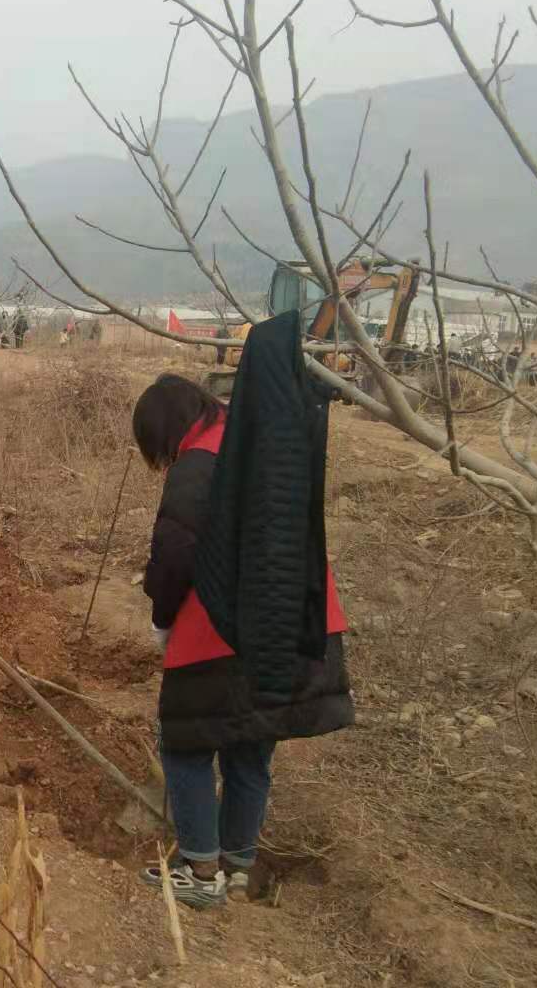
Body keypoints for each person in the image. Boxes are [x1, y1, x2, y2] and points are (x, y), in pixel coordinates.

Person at [134, 328, 352, 910]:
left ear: (166, 431)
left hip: (224, 632)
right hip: (298, 620)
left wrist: (161, 619)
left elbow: (175, 555)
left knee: (186, 741)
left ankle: (199, 871)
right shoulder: (263, 438)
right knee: (251, 742)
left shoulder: (199, 463)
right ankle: (236, 866)